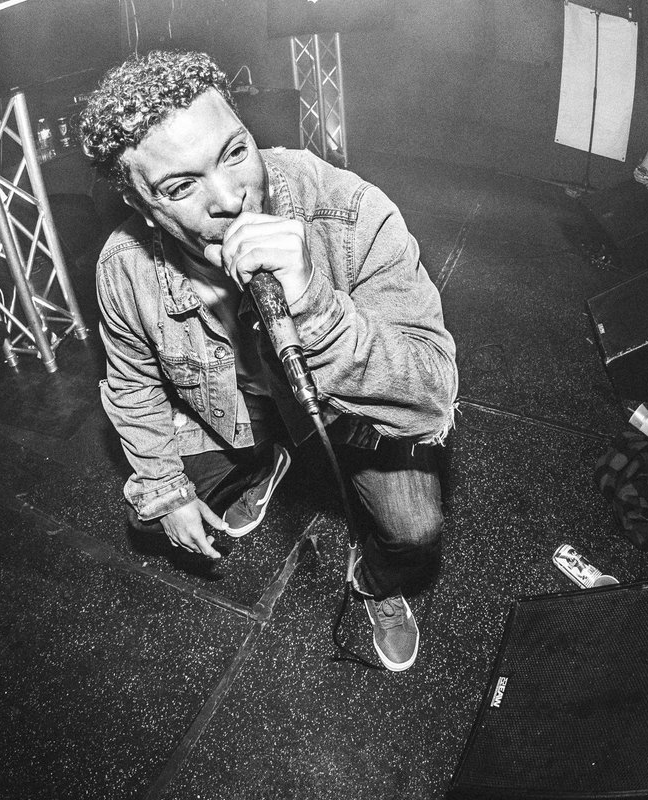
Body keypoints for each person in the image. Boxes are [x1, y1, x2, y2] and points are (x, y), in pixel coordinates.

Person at [78, 50, 458, 672]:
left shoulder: (348, 211)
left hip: (341, 409)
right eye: (181, 187)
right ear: (145, 210)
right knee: (144, 514)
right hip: (231, 405)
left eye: (234, 153)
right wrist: (170, 493)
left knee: (414, 533)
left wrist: (312, 306)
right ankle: (265, 460)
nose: (231, 198)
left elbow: (431, 394)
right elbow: (132, 386)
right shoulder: (125, 268)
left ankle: (374, 584)